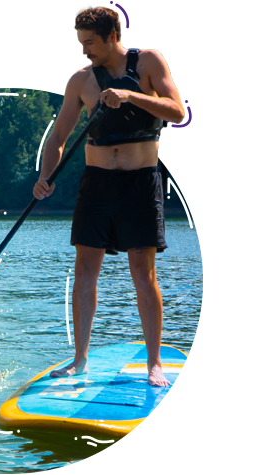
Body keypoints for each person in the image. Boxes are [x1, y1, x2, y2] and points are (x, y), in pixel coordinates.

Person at [33, 6, 184, 387]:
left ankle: (154, 364)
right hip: (97, 184)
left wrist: (132, 96)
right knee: (85, 269)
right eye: (81, 43)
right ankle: (79, 359)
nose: (85, 51)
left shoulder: (149, 61)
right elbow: (58, 138)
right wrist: (45, 177)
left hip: (140, 182)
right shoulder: (80, 81)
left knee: (141, 272)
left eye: (90, 43)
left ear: (113, 36)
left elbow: (177, 111)